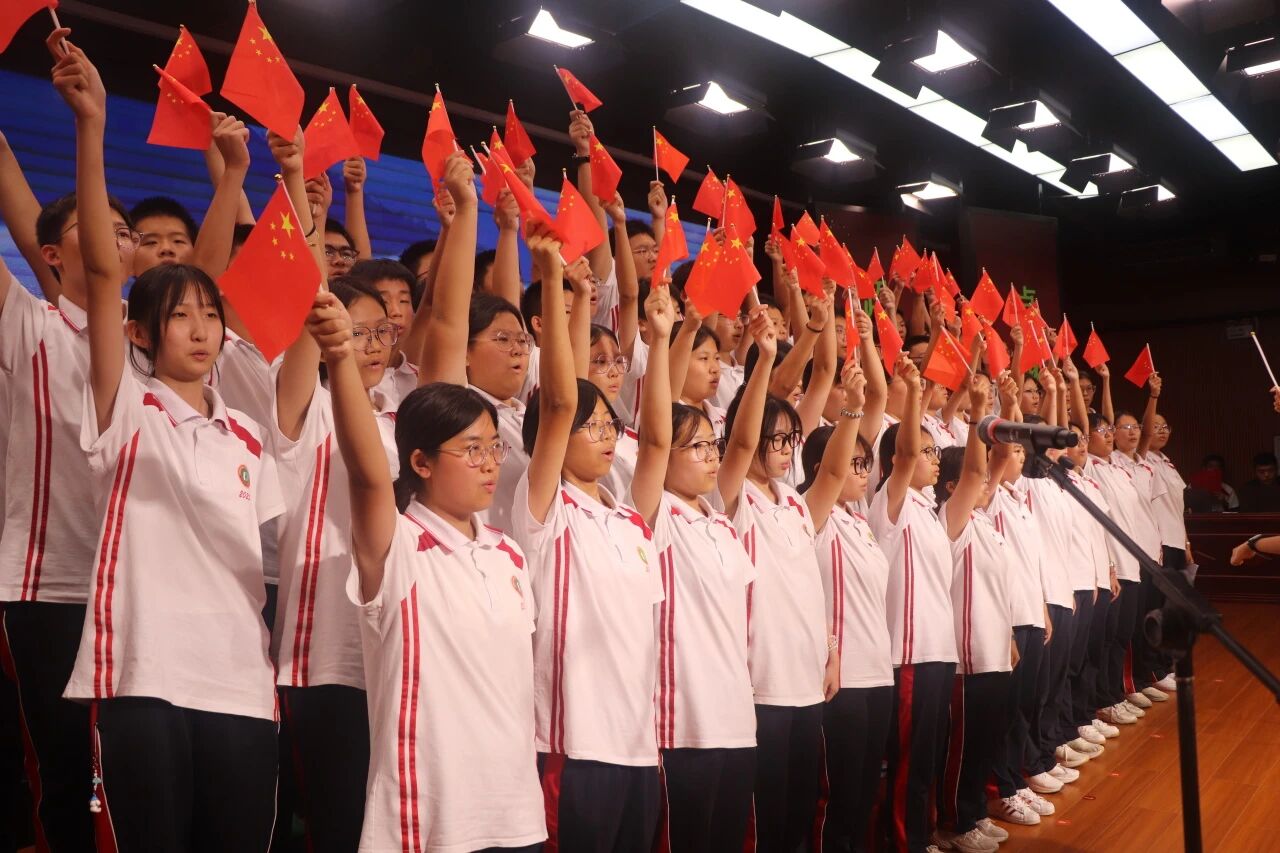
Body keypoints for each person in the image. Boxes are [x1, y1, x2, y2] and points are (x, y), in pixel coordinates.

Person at [59, 24, 286, 843]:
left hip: (241, 685)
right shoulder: (126, 405)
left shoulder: (248, 435)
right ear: (140, 332)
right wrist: (91, 127)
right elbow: (102, 267)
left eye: (209, 315)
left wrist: (237, 176)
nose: (199, 328)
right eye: (179, 316)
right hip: (144, 675)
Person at [307, 288, 546, 852]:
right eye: (472, 450)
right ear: (420, 461)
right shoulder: (399, 546)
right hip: (431, 821)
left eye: (494, 448)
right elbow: (367, 474)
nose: (489, 465)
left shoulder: (509, 556)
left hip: (518, 815)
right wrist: (340, 358)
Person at [0, 32, 138, 851]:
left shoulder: (155, 349)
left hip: (137, 592)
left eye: (123, 227)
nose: (115, 236)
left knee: (126, 778)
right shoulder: (29, 324)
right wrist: (88, 122)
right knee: (62, 777)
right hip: (49, 588)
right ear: (51, 254)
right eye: (96, 224)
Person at [515, 227, 663, 850]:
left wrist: (662, 339)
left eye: (610, 425)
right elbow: (557, 403)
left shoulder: (630, 520)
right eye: (591, 426)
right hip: (573, 744)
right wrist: (557, 284)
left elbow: (656, 444)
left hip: (639, 744)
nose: (605, 436)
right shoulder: (547, 508)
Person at [627, 285, 756, 852]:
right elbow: (655, 437)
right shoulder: (654, 515)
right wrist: (664, 339)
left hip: (736, 716)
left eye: (711, 446)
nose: (711, 457)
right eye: (696, 448)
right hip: (684, 722)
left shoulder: (720, 520)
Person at [717, 305, 839, 853]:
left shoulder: (793, 501)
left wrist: (830, 651)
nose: (787, 449)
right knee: (763, 819)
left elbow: (811, 588)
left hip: (807, 681)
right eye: (778, 439)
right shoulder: (732, 496)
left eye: (793, 439)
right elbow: (742, 445)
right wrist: (766, 359)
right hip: (760, 684)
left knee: (797, 810)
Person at [798, 302, 892, 853]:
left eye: (864, 464)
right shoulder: (814, 517)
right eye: (852, 464)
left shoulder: (858, 522)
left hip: (878, 673)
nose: (862, 471)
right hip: (842, 680)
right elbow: (837, 464)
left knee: (863, 794)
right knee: (834, 799)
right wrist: (852, 408)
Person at [869, 356, 958, 853]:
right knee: (907, 760)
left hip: (939, 651)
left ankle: (923, 834)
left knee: (928, 757)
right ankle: (906, 842)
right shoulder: (891, 503)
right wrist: (915, 396)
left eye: (934, 450)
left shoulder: (928, 510)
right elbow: (902, 454)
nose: (934, 458)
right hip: (910, 654)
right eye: (926, 451)